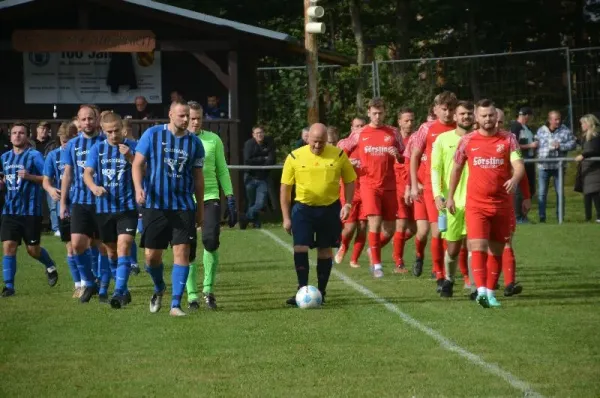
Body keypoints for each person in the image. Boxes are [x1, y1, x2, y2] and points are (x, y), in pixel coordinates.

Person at [447, 99, 525, 308]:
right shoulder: (467, 141)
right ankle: (480, 291)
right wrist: (450, 196)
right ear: (476, 117)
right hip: (476, 205)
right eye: (484, 116)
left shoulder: (509, 139)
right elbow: (455, 169)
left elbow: (518, 165)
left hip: (501, 205)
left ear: (495, 117)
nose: (488, 119)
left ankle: (490, 292)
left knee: (497, 251)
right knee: (478, 246)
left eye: (491, 115)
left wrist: (515, 179)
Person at [132, 100, 205, 317]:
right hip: (155, 206)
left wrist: (200, 208)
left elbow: (198, 179)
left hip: (183, 207)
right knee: (151, 257)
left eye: (188, 116)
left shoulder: (195, 144)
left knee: (181, 253)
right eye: (182, 116)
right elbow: (137, 164)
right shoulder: (152, 135)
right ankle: (158, 288)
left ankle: (175, 304)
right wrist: (138, 189)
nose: (186, 120)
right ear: (171, 114)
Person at [280, 123, 356, 305]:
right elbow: (285, 189)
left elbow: (350, 180)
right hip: (303, 209)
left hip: (329, 209)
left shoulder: (338, 154)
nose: (317, 146)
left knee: (325, 249)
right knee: (300, 247)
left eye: (321, 142)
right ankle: (302, 288)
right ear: (308, 139)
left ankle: (321, 292)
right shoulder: (295, 156)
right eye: (314, 142)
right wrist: (286, 217)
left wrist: (347, 204)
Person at [338, 98, 405, 278]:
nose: (377, 116)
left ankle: (371, 250)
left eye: (380, 112)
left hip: (389, 186)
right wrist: (347, 163)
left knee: (390, 228)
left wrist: (397, 155)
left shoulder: (393, 132)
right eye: (374, 113)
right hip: (369, 185)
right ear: (368, 113)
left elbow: (404, 156)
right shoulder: (360, 133)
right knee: (374, 223)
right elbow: (341, 148)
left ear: (385, 112)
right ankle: (377, 265)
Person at [185, 101, 238, 310]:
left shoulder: (213, 139)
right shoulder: (177, 141)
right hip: (185, 199)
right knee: (187, 248)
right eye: (191, 118)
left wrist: (230, 197)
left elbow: (222, 169)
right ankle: (191, 295)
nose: (195, 122)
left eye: (198, 118)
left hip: (209, 196)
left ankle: (208, 290)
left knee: (210, 240)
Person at [83, 112, 138, 309]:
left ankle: (118, 292)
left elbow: (145, 170)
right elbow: (87, 173)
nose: (114, 135)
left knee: (124, 247)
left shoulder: (133, 146)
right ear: (103, 131)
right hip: (104, 208)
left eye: (117, 130)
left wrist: (130, 157)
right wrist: (93, 187)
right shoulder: (97, 149)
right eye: (109, 132)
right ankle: (124, 290)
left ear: (122, 128)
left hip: (128, 208)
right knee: (112, 253)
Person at [0, 122, 58, 297]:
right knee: (9, 247)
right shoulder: (4, 158)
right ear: (10, 136)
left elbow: (48, 179)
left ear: (27, 136)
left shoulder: (34, 156)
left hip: (31, 212)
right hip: (10, 211)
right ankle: (9, 286)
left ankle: (50, 265)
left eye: (21, 133)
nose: (17, 136)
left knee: (32, 250)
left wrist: (30, 176)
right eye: (15, 133)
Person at [408, 91, 457, 289]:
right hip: (432, 188)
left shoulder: (461, 128)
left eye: (451, 109)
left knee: (455, 234)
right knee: (436, 231)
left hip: (456, 188)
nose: (447, 113)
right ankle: (438, 272)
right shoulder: (426, 129)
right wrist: (413, 184)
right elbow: (414, 157)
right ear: (435, 109)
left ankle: (455, 272)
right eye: (444, 109)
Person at [60, 105, 108, 303]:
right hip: (80, 201)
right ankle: (89, 283)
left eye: (90, 118)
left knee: (103, 247)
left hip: (104, 202)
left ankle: (104, 287)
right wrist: (63, 202)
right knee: (78, 244)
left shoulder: (107, 141)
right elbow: (68, 174)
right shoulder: (71, 145)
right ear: (78, 122)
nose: (87, 122)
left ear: (97, 120)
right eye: (83, 119)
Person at [431, 101, 474, 298]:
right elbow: (435, 169)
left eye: (469, 113)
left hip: (476, 200)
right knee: (454, 247)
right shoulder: (442, 139)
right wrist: (437, 195)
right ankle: (449, 278)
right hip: (452, 202)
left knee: (475, 245)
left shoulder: (479, 139)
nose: (466, 117)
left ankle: (476, 286)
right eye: (462, 114)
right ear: (455, 117)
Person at [42, 122, 80, 297]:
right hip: (65, 205)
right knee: (70, 247)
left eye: (70, 140)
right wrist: (50, 190)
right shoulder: (53, 156)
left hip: (84, 203)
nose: (66, 144)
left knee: (90, 245)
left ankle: (93, 280)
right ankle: (78, 284)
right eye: (63, 141)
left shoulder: (82, 153)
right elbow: (46, 180)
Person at [335, 117, 367, 268]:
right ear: (351, 127)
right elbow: (336, 162)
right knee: (349, 228)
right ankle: (343, 246)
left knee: (362, 226)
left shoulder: (368, 143)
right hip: (350, 191)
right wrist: (348, 163)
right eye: (357, 126)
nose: (360, 129)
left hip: (367, 190)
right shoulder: (344, 143)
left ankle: (354, 259)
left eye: (362, 126)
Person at [534, 110, 576, 222]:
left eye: (559, 119)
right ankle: (542, 218)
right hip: (543, 166)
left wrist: (560, 146)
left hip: (559, 167)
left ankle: (560, 218)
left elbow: (573, 144)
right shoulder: (541, 131)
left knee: (560, 193)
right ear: (549, 120)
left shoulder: (565, 130)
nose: (558, 121)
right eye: (555, 119)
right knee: (542, 194)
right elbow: (535, 144)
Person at [392, 108, 417, 273]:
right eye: (406, 120)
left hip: (414, 185)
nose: (409, 123)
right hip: (398, 187)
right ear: (399, 121)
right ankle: (398, 263)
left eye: (412, 120)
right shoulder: (393, 139)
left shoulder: (416, 138)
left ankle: (375, 247)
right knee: (401, 224)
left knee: (415, 228)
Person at [242, 126, 275, 229]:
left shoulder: (269, 143)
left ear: (264, 133)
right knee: (251, 202)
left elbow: (272, 159)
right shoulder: (249, 144)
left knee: (260, 203)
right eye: (257, 133)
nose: (259, 135)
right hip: (250, 177)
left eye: (261, 132)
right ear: (253, 135)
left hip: (262, 178)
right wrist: (262, 158)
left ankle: (244, 218)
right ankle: (256, 223)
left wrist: (261, 160)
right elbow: (247, 160)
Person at [510, 107, 536, 223]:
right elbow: (513, 145)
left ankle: (523, 215)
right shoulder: (516, 127)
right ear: (527, 116)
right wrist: (530, 146)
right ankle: (518, 216)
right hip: (521, 161)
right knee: (520, 189)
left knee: (530, 189)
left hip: (529, 161)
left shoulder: (527, 128)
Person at [575, 114, 600, 223]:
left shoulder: (596, 136)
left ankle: (599, 216)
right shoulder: (585, 136)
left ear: (589, 123)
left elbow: (596, 151)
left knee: (595, 193)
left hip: (595, 169)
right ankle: (588, 217)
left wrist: (584, 155)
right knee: (587, 193)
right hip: (587, 168)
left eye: (583, 123)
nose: (581, 126)